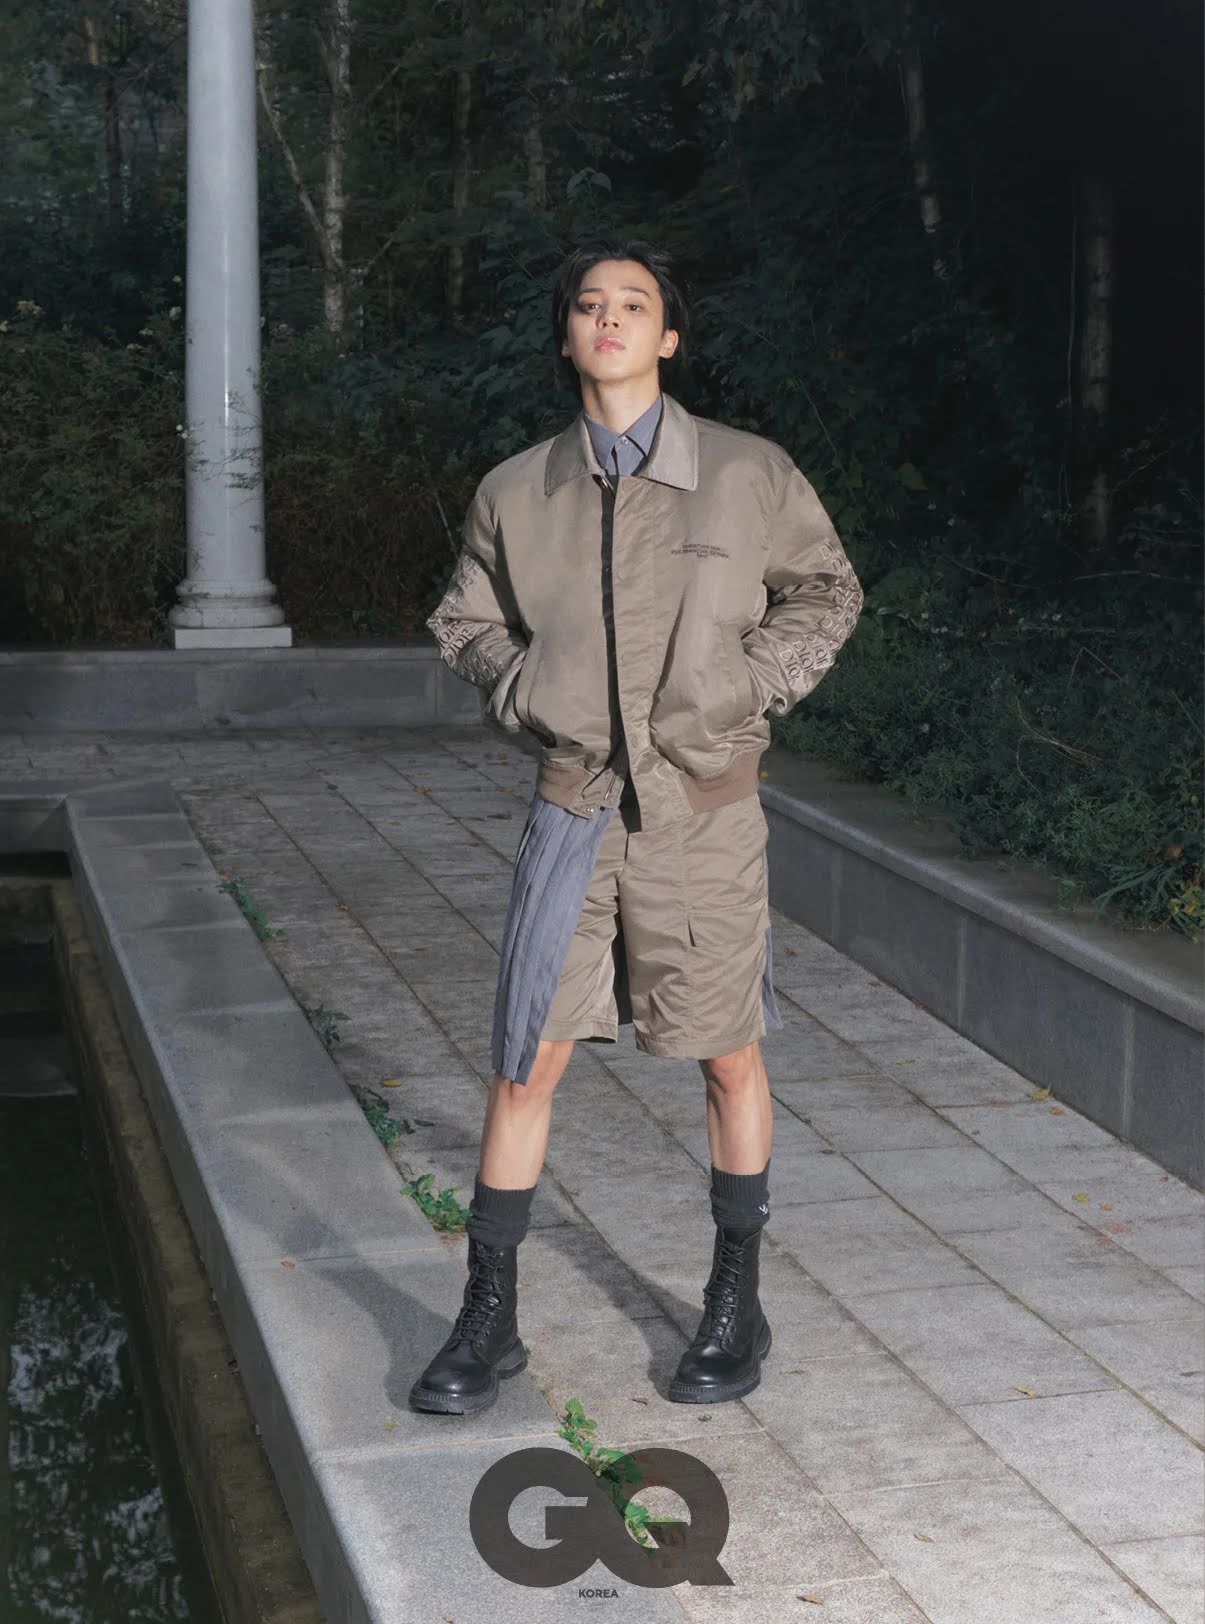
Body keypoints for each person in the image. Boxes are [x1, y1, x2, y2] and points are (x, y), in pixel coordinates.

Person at [409, 236, 864, 1416]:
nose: (607, 318)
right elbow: (466, 621)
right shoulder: (516, 490)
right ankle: (487, 1318)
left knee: (727, 1053)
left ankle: (733, 1302)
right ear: (566, 336)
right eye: (587, 304)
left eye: (632, 303)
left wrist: (739, 690)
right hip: (572, 812)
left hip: (703, 817)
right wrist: (532, 691)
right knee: (525, 1058)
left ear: (667, 336)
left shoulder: (746, 473)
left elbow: (825, 591)